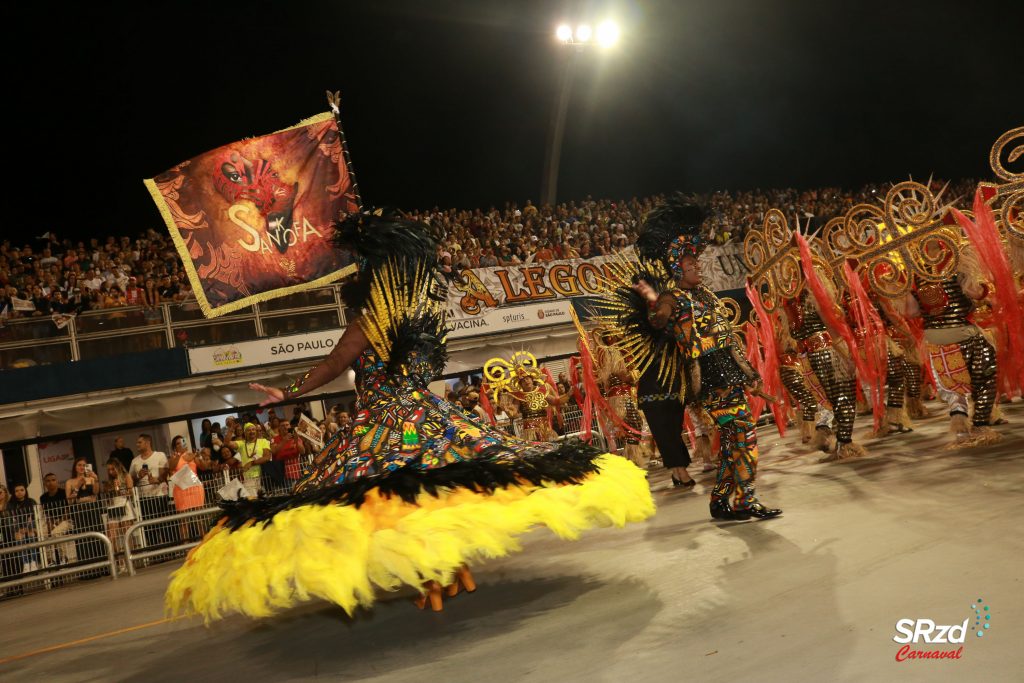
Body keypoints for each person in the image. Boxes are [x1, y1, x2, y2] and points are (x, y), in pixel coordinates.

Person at [167, 211, 654, 621]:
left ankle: (436, 577)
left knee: (397, 498)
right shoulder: (420, 316)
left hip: (383, 423)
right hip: (426, 414)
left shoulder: (369, 322)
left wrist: (286, 391)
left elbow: (333, 365)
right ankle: (454, 570)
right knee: (441, 486)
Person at [634, 195, 781, 520]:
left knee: (735, 440)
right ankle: (743, 499)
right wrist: (650, 296)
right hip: (712, 381)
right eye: (690, 265)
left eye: (697, 263)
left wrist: (751, 374)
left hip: (730, 375)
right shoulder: (674, 298)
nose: (697, 267)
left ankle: (721, 499)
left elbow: (728, 340)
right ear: (677, 268)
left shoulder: (708, 297)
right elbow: (659, 320)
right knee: (744, 435)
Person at [129, 434, 172, 548]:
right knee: (149, 528)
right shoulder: (135, 461)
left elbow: (165, 473)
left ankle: (170, 550)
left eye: (140, 442)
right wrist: (138, 475)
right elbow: (130, 479)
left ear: (148, 443)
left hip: (160, 495)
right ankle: (155, 552)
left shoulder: (159, 455)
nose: (137, 444)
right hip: (144, 499)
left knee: (164, 524)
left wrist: (156, 480)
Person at [66, 456, 106, 570]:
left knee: (97, 536)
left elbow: (96, 492)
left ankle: (103, 567)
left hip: (93, 510)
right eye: (79, 465)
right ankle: (88, 570)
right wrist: (77, 486)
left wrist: (96, 479)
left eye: (84, 465)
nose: (82, 467)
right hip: (80, 512)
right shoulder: (70, 482)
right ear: (75, 467)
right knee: (83, 540)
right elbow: (70, 500)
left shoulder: (92, 478)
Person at [168, 436, 205, 540]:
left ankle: (204, 543)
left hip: (195, 487)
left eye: (182, 442)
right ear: (175, 447)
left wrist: (199, 456)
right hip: (181, 489)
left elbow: (203, 467)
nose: (181, 444)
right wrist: (179, 455)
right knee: (183, 521)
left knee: (200, 518)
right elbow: (171, 467)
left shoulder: (193, 455)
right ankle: (185, 546)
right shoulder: (174, 457)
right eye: (178, 443)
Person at [223, 423, 271, 498]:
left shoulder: (263, 441)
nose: (251, 431)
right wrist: (231, 429)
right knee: (253, 502)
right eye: (248, 430)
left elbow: (267, 457)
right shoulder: (241, 444)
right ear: (244, 433)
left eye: (253, 429)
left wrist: (251, 463)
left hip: (264, 477)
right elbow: (226, 443)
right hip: (249, 479)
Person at [102, 459, 136, 564]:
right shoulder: (108, 482)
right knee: (111, 537)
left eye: (113, 469)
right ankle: (119, 562)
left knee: (127, 535)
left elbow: (131, 492)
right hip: (113, 508)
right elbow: (106, 497)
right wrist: (110, 489)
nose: (111, 472)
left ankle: (130, 561)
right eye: (109, 470)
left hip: (125, 505)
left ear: (118, 467)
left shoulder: (126, 476)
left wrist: (120, 488)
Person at [39, 473, 74, 567]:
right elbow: (47, 513)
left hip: (67, 520)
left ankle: (64, 558)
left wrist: (60, 520)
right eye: (48, 481)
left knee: (56, 533)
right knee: (42, 533)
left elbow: (68, 509)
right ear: (44, 483)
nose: (51, 483)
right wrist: (51, 524)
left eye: (53, 480)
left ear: (57, 481)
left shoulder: (63, 493)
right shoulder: (43, 498)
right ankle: (50, 560)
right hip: (52, 521)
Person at [8, 484, 41, 573]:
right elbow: (12, 519)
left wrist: (27, 528)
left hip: (30, 527)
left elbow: (35, 517)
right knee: (18, 533)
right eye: (17, 491)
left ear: (25, 491)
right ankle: (25, 563)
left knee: (31, 530)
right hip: (18, 529)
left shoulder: (31, 502)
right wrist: (20, 529)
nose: (19, 492)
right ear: (13, 493)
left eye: (22, 490)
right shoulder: (10, 505)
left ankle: (33, 562)